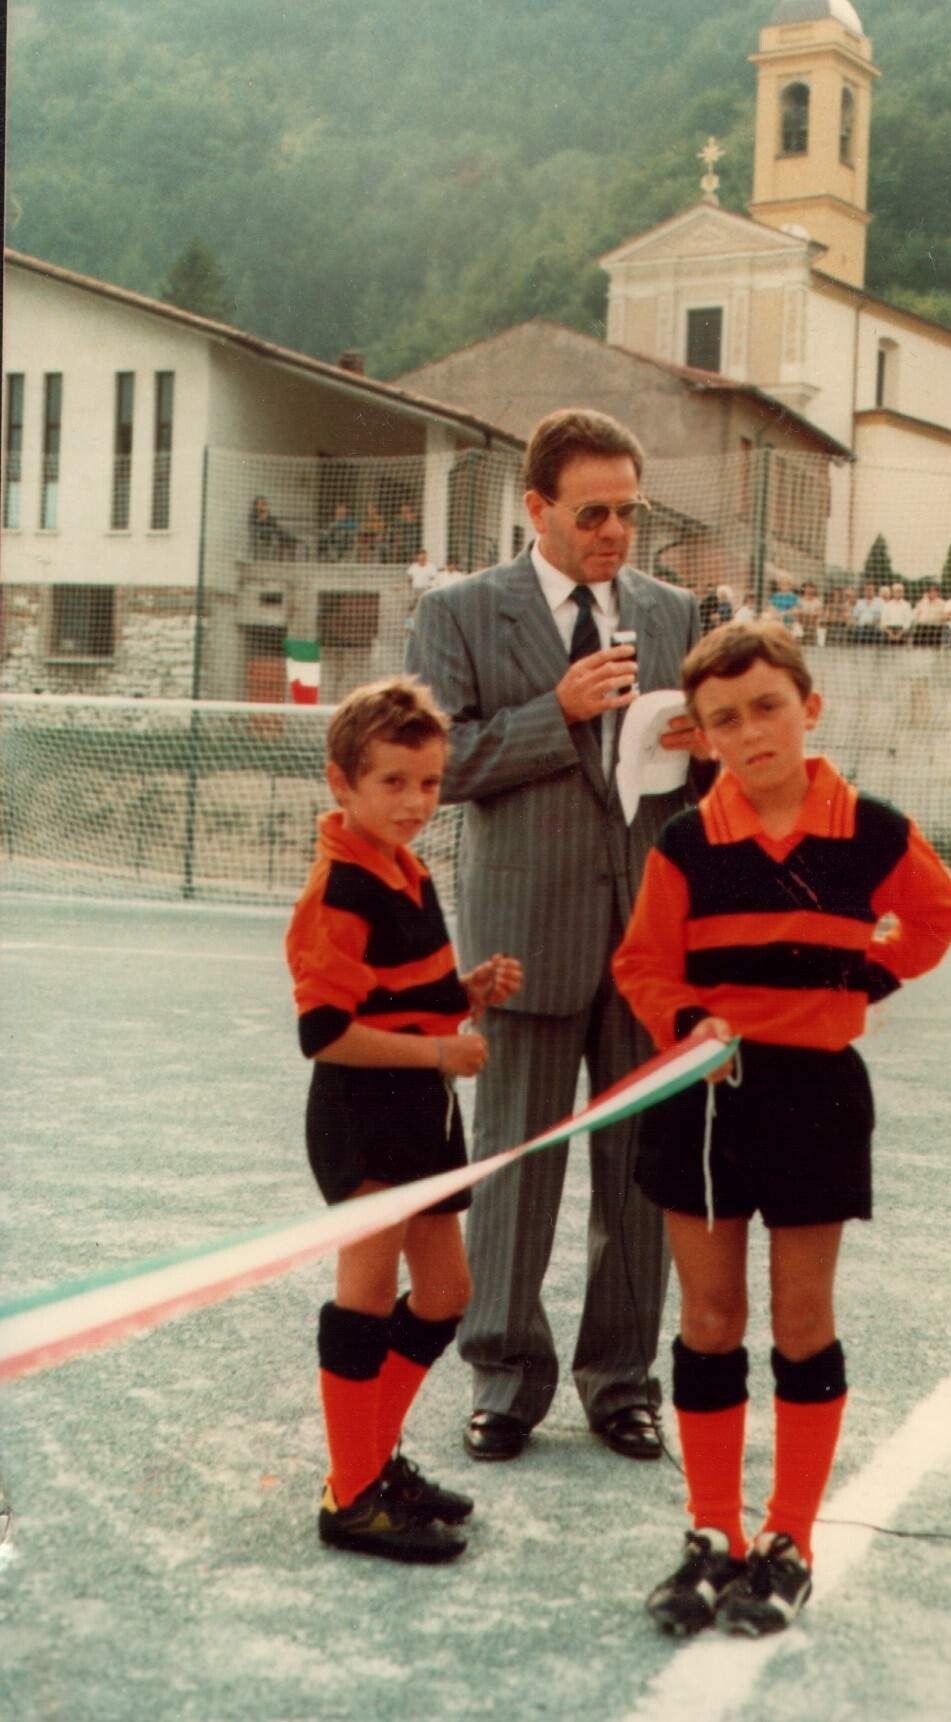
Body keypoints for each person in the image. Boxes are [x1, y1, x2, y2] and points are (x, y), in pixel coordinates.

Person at [612, 619, 951, 1637]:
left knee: (802, 1322)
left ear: (808, 709)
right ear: (702, 738)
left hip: (815, 1097)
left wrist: (868, 975)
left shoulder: (872, 830)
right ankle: (711, 1534)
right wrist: (688, 1028)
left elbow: (939, 916)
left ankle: (789, 1539)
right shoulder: (684, 842)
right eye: (723, 719)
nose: (749, 730)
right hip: (706, 1104)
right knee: (710, 1320)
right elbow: (643, 964)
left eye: (767, 706)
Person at [406, 407, 706, 1464]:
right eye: (593, 512)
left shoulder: (675, 611)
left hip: (646, 946)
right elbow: (438, 767)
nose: (615, 531)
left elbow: (705, 776)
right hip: (523, 938)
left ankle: (621, 1381)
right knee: (513, 1166)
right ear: (534, 508)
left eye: (630, 511)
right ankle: (503, 1375)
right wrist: (560, 712)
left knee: (638, 1173)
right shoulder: (457, 615)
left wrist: (702, 746)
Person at [285, 676, 524, 1563]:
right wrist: (436, 1053)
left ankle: (370, 1460)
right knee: (366, 1293)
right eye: (392, 782)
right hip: (363, 1112)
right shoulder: (340, 888)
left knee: (447, 1296)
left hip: (424, 1106)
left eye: (428, 783)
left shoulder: (405, 863)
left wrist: (463, 996)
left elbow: (404, 996)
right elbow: (325, 1034)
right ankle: (352, 1496)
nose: (416, 802)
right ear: (342, 782)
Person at [248, 495, 297, 561]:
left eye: (265, 503)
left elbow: (274, 523)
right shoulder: (254, 515)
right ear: (256, 505)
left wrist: (277, 524)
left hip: (273, 533)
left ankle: (290, 538)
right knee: (278, 533)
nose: (264, 505)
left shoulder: (267, 514)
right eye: (262, 503)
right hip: (262, 534)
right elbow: (257, 524)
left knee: (282, 531)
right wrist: (264, 516)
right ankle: (288, 537)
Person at [910, 584, 946, 648]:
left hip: (935, 627)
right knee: (919, 631)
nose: (932, 593)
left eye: (934, 591)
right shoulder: (921, 602)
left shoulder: (942, 603)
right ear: (927, 593)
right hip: (922, 626)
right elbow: (915, 614)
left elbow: (944, 617)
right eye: (930, 592)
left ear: (937, 593)